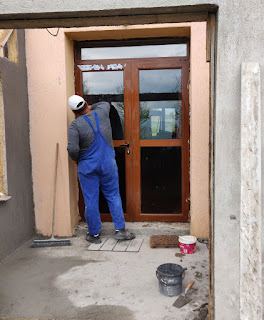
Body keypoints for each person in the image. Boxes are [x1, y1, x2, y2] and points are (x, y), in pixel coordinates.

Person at [67, 95, 135, 244]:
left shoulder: (75, 125)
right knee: (113, 195)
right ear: (85, 103)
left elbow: (72, 149)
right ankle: (120, 230)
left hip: (87, 166)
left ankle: (94, 234)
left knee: (91, 199)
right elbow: (105, 103)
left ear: (73, 112)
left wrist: (76, 159)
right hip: (107, 164)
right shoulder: (102, 112)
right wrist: (90, 107)